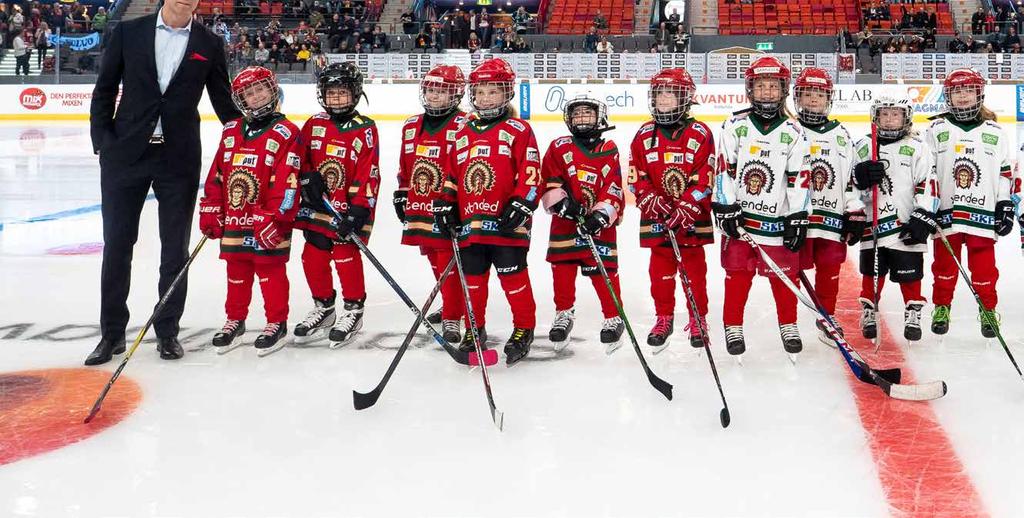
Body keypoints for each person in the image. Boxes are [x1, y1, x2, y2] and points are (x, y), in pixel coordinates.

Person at [87, 0, 240, 366]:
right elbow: (104, 90)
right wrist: (103, 145)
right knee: (118, 245)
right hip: (125, 157)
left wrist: (256, 137)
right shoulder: (128, 32)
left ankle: (167, 331)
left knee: (175, 250)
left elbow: (224, 102)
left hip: (178, 159)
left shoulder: (208, 43)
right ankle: (111, 334)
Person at [432, 58, 541, 365]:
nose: (486, 97)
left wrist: (522, 202)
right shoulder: (464, 132)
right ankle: (474, 328)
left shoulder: (518, 129)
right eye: (480, 92)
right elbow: (452, 175)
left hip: (507, 225)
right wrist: (445, 203)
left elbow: (531, 171)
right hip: (471, 224)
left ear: (507, 93)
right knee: (473, 280)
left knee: (513, 279)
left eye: (494, 91)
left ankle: (524, 328)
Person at [712, 56, 811, 357]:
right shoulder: (735, 125)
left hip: (776, 221)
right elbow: (722, 168)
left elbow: (799, 177)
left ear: (783, 90)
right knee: (737, 276)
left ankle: (788, 323)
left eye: (773, 86)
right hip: (740, 220)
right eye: (760, 86)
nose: (766, 92)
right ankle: (733, 325)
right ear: (749, 89)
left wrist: (797, 216)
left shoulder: (793, 131)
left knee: (784, 276)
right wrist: (726, 205)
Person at [198, 66, 301, 355]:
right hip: (235, 215)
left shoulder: (287, 132)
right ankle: (236, 319)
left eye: (260, 90)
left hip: (268, 219)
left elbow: (288, 179)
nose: (255, 97)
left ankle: (277, 322)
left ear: (272, 90)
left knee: (270, 269)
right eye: (248, 93)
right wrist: (211, 207)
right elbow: (218, 173)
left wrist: (276, 216)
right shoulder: (231, 129)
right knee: (237, 268)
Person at [292, 62, 381, 347]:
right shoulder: (314, 124)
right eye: (331, 93)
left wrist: (357, 210)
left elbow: (370, 171)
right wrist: (306, 177)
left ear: (355, 93)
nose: (336, 99)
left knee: (345, 255)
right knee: (313, 255)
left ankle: (354, 309)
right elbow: (300, 157)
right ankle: (324, 307)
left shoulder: (365, 128)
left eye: (342, 93)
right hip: (318, 206)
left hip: (349, 207)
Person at [629, 68, 715, 350]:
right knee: (660, 274)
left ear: (686, 98)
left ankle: (698, 319)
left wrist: (687, 207)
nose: (663, 100)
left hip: (691, 222)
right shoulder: (643, 134)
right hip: (657, 221)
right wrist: (651, 200)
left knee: (695, 275)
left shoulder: (701, 133)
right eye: (659, 94)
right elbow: (636, 176)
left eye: (671, 94)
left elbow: (705, 176)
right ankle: (664, 317)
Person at [925, 69, 1013, 338]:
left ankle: (988, 310)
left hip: (982, 213)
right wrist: (926, 207)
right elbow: (926, 172)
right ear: (948, 96)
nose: (962, 96)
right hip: (946, 213)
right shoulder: (936, 129)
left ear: (979, 94)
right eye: (956, 91)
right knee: (944, 267)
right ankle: (941, 306)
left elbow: (1005, 173)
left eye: (968, 91)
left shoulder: (995, 131)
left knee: (985, 268)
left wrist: (1005, 204)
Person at [540, 96, 625, 349]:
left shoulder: (609, 148)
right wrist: (561, 202)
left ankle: (613, 315)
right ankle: (563, 312)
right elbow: (549, 178)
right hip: (565, 224)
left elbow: (613, 186)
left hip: (598, 227)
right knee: (562, 269)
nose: (581, 119)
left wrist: (600, 214)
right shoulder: (559, 146)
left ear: (600, 117)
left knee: (603, 271)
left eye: (587, 113)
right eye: (576, 114)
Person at [852, 93, 937, 342]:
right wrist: (860, 177)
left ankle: (912, 311)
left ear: (906, 118)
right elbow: (851, 185)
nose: (889, 120)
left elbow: (928, 183)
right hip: (873, 222)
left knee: (910, 272)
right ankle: (869, 309)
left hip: (905, 223)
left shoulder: (917, 146)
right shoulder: (864, 146)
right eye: (884, 114)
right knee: (871, 272)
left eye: (896, 114)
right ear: (875, 117)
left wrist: (923, 214)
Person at [393, 65, 469, 343]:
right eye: (431, 90)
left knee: (448, 259)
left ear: (456, 94)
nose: (435, 96)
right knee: (436, 260)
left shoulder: (465, 125)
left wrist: (458, 203)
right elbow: (405, 164)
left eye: (442, 91)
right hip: (420, 204)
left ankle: (452, 316)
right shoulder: (411, 125)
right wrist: (402, 191)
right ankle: (453, 303)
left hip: (448, 207)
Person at [792, 67, 864, 346]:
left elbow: (849, 179)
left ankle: (827, 317)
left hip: (831, 217)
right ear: (797, 97)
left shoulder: (840, 134)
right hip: (797, 218)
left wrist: (854, 210)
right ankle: (789, 322)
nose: (813, 99)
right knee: (790, 269)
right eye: (808, 93)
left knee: (830, 267)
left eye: (819, 95)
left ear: (829, 99)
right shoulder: (790, 130)